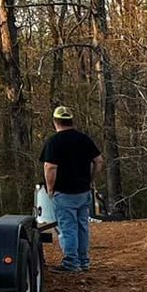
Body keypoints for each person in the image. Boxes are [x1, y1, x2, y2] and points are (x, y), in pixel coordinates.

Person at [40, 105, 102, 273]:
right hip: (83, 191)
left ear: (55, 122)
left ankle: (71, 263)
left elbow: (50, 167)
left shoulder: (54, 142)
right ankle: (84, 261)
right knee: (82, 226)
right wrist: (90, 179)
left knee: (68, 228)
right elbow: (99, 160)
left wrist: (50, 188)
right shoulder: (84, 139)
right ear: (71, 121)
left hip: (64, 192)